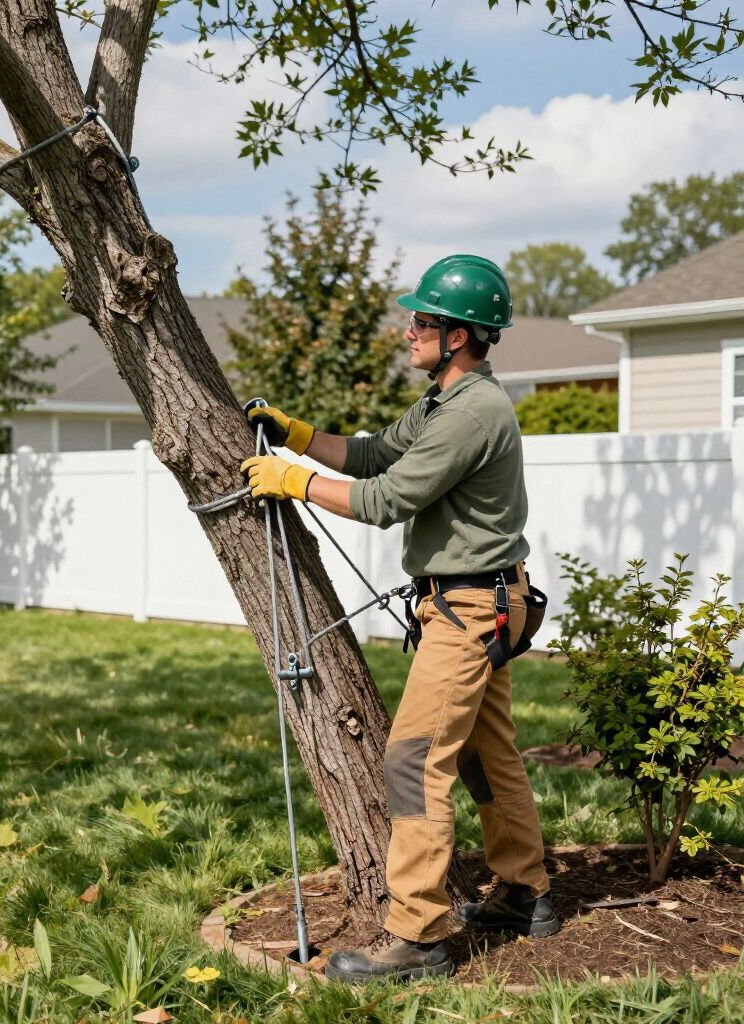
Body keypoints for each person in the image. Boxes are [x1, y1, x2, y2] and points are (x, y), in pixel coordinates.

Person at [240, 255, 559, 984]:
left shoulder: (475, 411)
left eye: (421, 320)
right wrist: (296, 436)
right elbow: (374, 453)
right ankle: (524, 891)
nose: (406, 328)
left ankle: (418, 937)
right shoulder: (446, 400)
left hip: (472, 610)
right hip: (482, 602)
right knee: (487, 757)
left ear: (460, 335)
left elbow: (385, 499)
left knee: (413, 761)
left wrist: (296, 483)